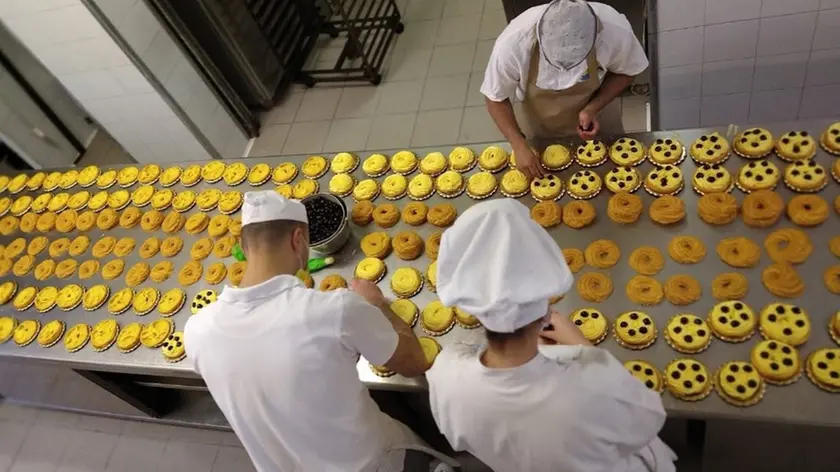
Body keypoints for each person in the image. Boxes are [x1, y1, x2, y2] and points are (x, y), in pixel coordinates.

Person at [184, 191, 456, 472]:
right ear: (298, 240)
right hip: (370, 464)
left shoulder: (197, 331)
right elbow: (413, 362)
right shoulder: (334, 310)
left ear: (243, 244)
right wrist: (376, 305)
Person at [425, 199, 677, 471]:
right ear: (546, 303)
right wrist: (583, 349)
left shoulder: (445, 374)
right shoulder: (596, 382)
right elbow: (646, 424)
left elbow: (461, 438)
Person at [482, 0, 649, 179]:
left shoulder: (614, 30)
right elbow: (494, 98)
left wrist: (593, 107)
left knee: (615, 174)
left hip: (600, 112)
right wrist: (518, 144)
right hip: (540, 123)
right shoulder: (514, 43)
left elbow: (627, 72)